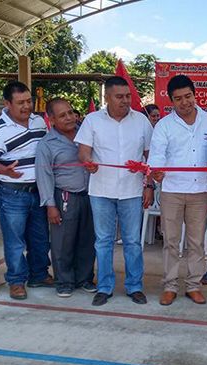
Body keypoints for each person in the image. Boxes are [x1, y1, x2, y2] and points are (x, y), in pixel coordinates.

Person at [76, 76, 153, 306]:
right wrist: (87, 161)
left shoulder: (141, 121)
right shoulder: (92, 121)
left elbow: (151, 156)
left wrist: (149, 185)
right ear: (107, 97)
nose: (125, 101)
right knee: (103, 241)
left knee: (132, 241)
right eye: (119, 97)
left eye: (128, 96)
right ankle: (105, 287)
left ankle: (134, 286)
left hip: (131, 190)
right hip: (101, 189)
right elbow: (83, 151)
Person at [148, 75, 207, 306]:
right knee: (170, 240)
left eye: (188, 96)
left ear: (194, 94)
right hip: (172, 190)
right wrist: (156, 172)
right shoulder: (164, 125)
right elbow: (157, 155)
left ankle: (193, 285)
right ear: (171, 101)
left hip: (201, 190)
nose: (184, 102)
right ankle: (169, 286)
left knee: (197, 241)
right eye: (178, 99)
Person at [0, 81, 52, 300]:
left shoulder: (39, 121)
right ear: (7, 103)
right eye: (20, 102)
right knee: (15, 242)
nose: (26, 106)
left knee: (40, 238)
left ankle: (39, 274)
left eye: (29, 101)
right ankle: (16, 281)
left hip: (39, 191)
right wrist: (4, 170)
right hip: (12, 193)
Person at [36, 98, 96, 298]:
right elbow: (44, 175)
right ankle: (64, 281)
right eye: (62, 115)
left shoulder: (87, 133)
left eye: (70, 112)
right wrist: (50, 205)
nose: (70, 117)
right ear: (51, 119)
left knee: (87, 239)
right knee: (63, 242)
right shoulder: (47, 144)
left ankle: (85, 278)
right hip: (64, 196)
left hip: (90, 195)